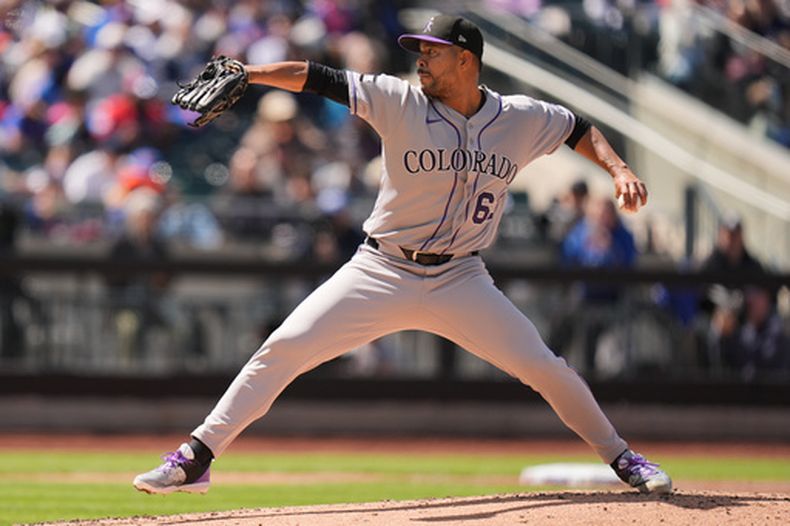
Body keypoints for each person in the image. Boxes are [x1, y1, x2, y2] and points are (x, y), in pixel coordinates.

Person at [133, 15, 671, 496]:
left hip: (462, 278)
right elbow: (317, 76)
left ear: (466, 59)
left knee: (545, 368)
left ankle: (623, 458)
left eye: (433, 51)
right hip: (381, 268)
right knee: (284, 347)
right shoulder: (399, 99)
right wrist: (251, 74)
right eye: (420, 49)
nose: (422, 59)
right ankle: (196, 458)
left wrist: (619, 169)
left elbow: (578, 128)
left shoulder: (520, 118)